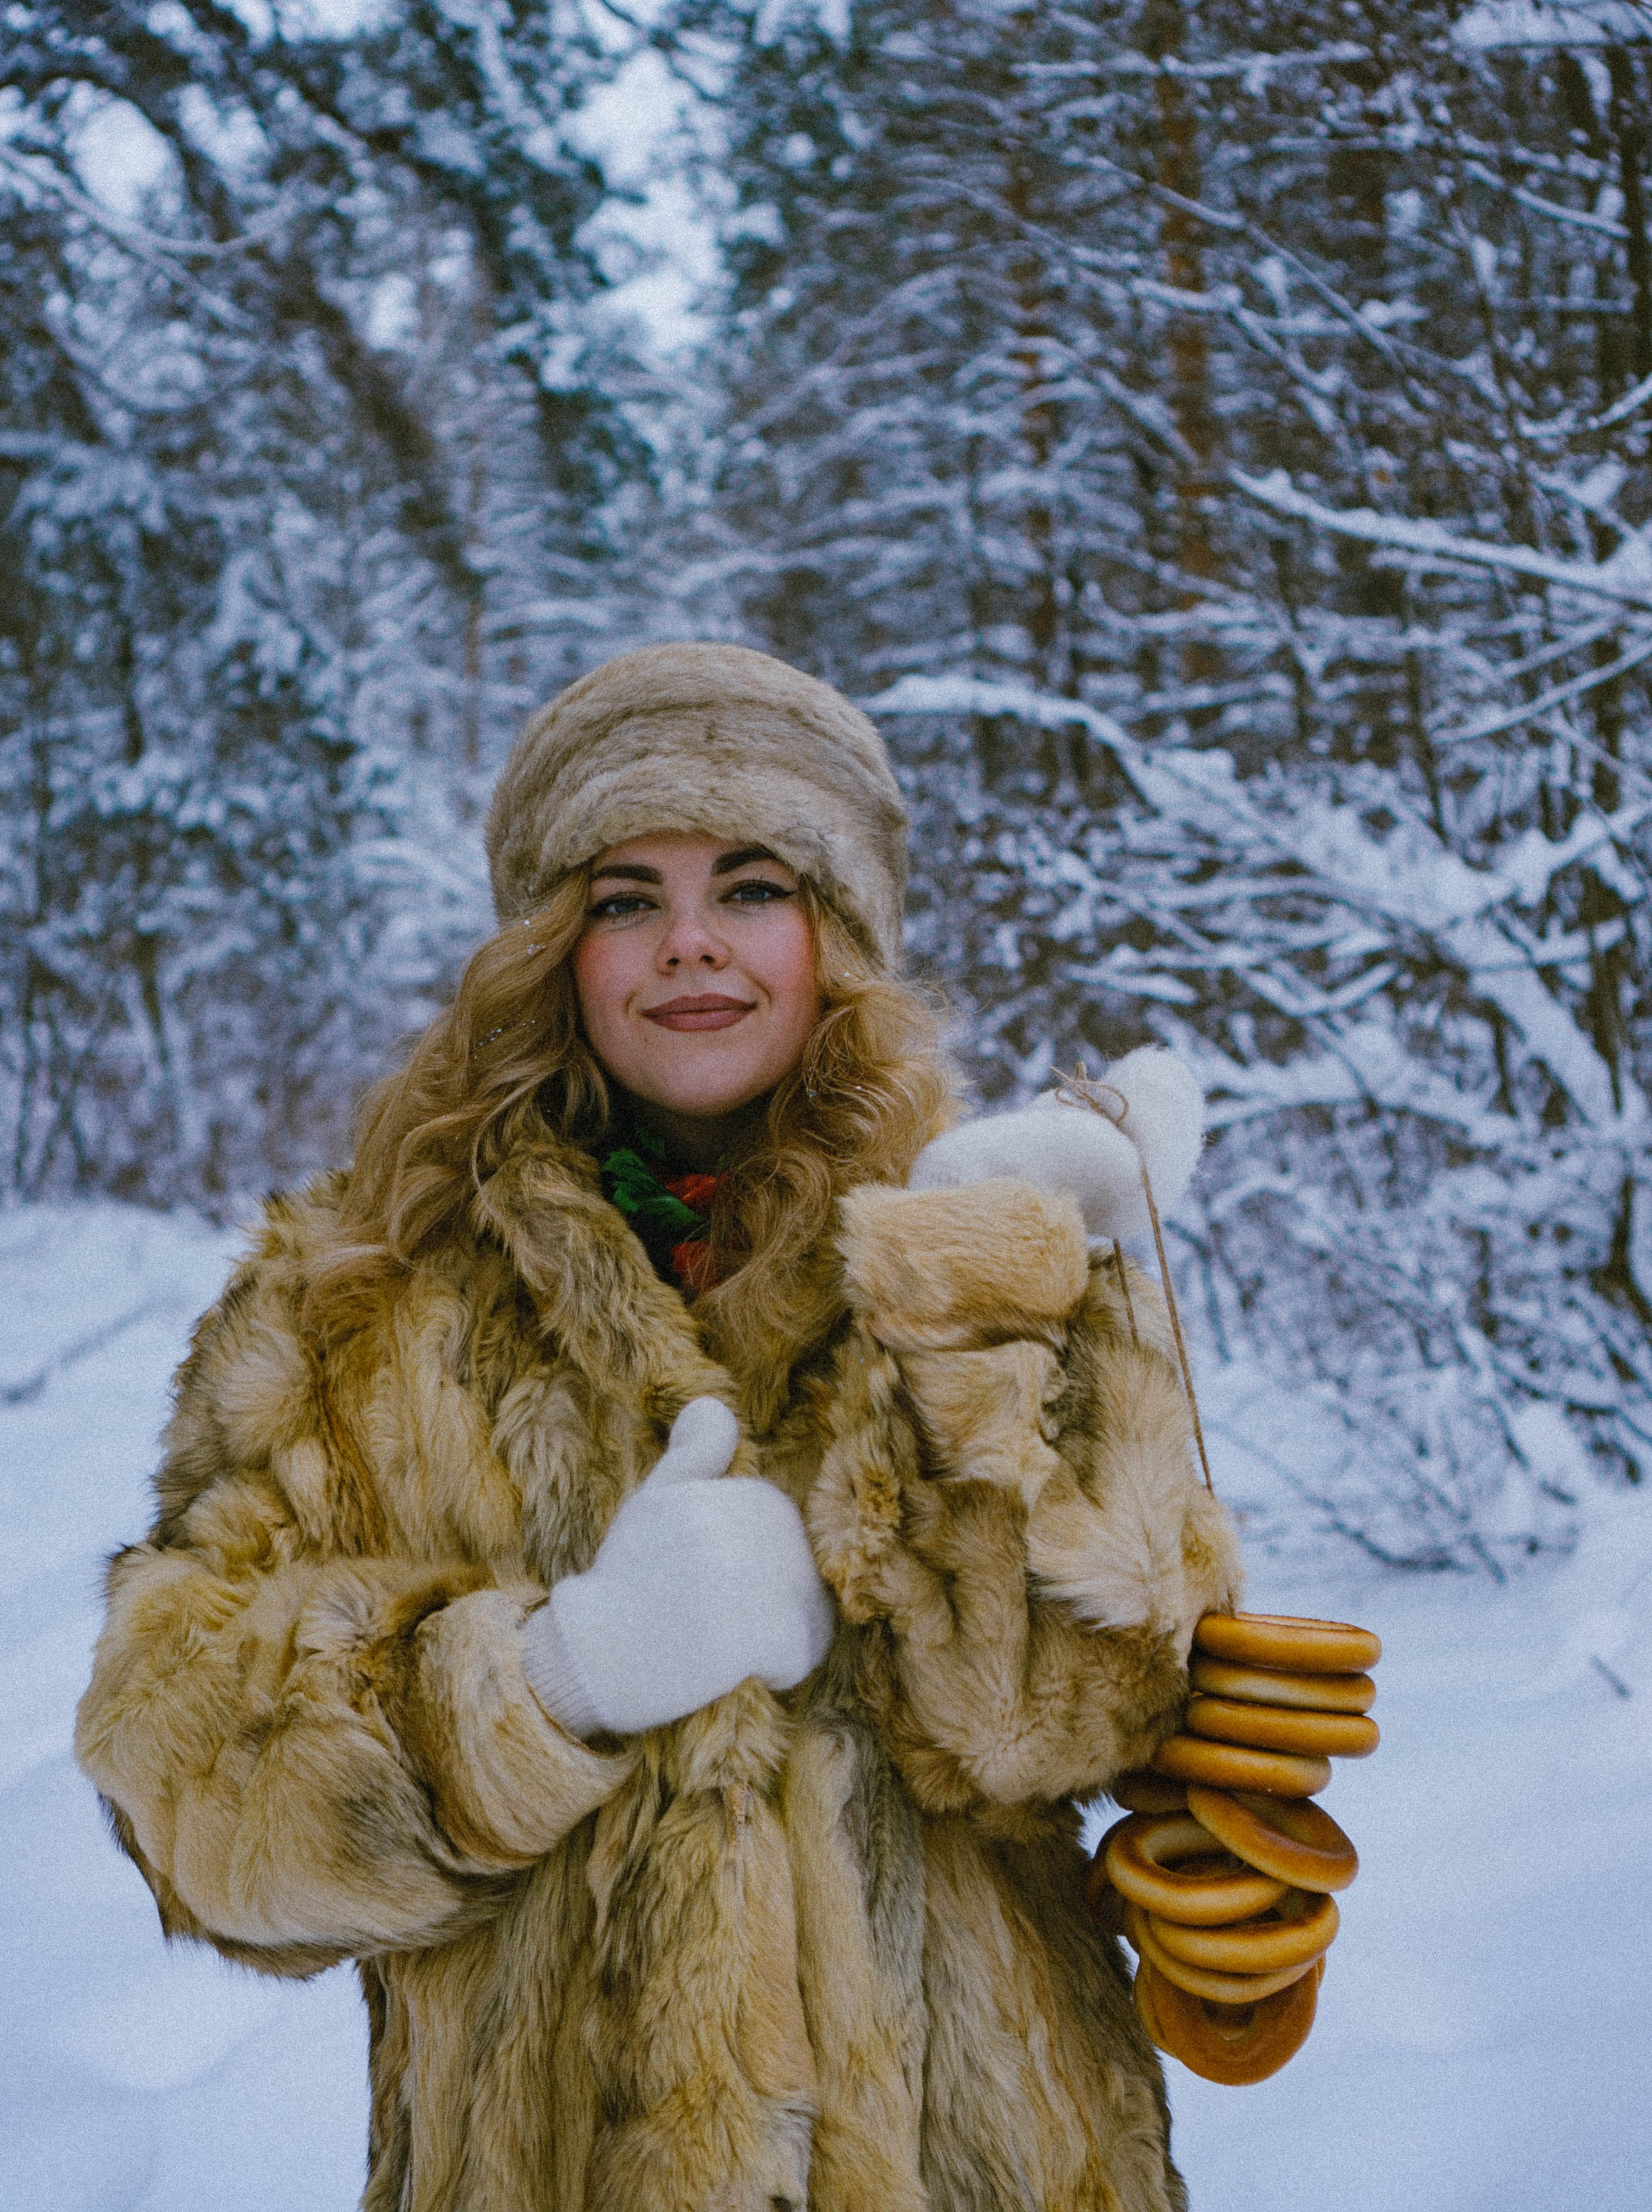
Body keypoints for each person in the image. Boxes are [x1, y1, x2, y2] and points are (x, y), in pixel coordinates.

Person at [76, 642, 1241, 2212]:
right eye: (625, 897)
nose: (689, 944)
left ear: (838, 934)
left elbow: (1074, 1712)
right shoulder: (358, 1293)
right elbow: (181, 1783)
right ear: (555, 947)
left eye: (752, 885)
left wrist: (987, 1310)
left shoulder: (979, 1235)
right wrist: (553, 1676)